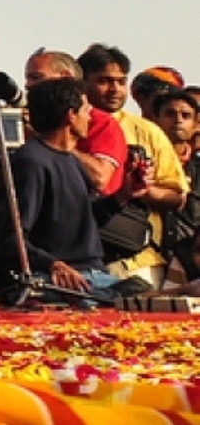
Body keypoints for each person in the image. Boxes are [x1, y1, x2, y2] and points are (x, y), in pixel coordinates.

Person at [78, 44, 187, 289]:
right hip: (74, 262)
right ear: (82, 83)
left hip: (137, 262)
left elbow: (177, 197)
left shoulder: (147, 131)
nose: (115, 89)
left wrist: (137, 189)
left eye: (121, 81)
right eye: (104, 81)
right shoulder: (64, 129)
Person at [5, 79, 119, 300]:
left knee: (145, 296)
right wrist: (53, 265)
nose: (90, 118)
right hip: (61, 280)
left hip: (95, 275)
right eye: (86, 111)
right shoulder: (32, 162)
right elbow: (10, 239)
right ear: (70, 116)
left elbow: (85, 221)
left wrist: (124, 195)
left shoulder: (71, 159)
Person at [29, 49, 126, 196]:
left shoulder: (101, 122)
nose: (28, 85)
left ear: (65, 77)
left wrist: (53, 143)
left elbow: (100, 179)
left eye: (36, 77)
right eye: (28, 78)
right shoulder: (30, 121)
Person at [145, 88, 200, 281]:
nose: (178, 120)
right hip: (149, 260)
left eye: (186, 115)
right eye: (170, 114)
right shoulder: (143, 165)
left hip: (190, 265)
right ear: (155, 120)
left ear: (196, 125)